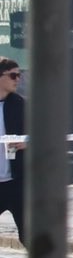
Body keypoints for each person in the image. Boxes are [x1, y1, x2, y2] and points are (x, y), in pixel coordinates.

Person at [0, 59, 22, 239]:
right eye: (13, 75)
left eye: (19, 75)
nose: (17, 79)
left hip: (17, 182)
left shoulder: (20, 105)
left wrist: (28, 143)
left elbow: (45, 133)